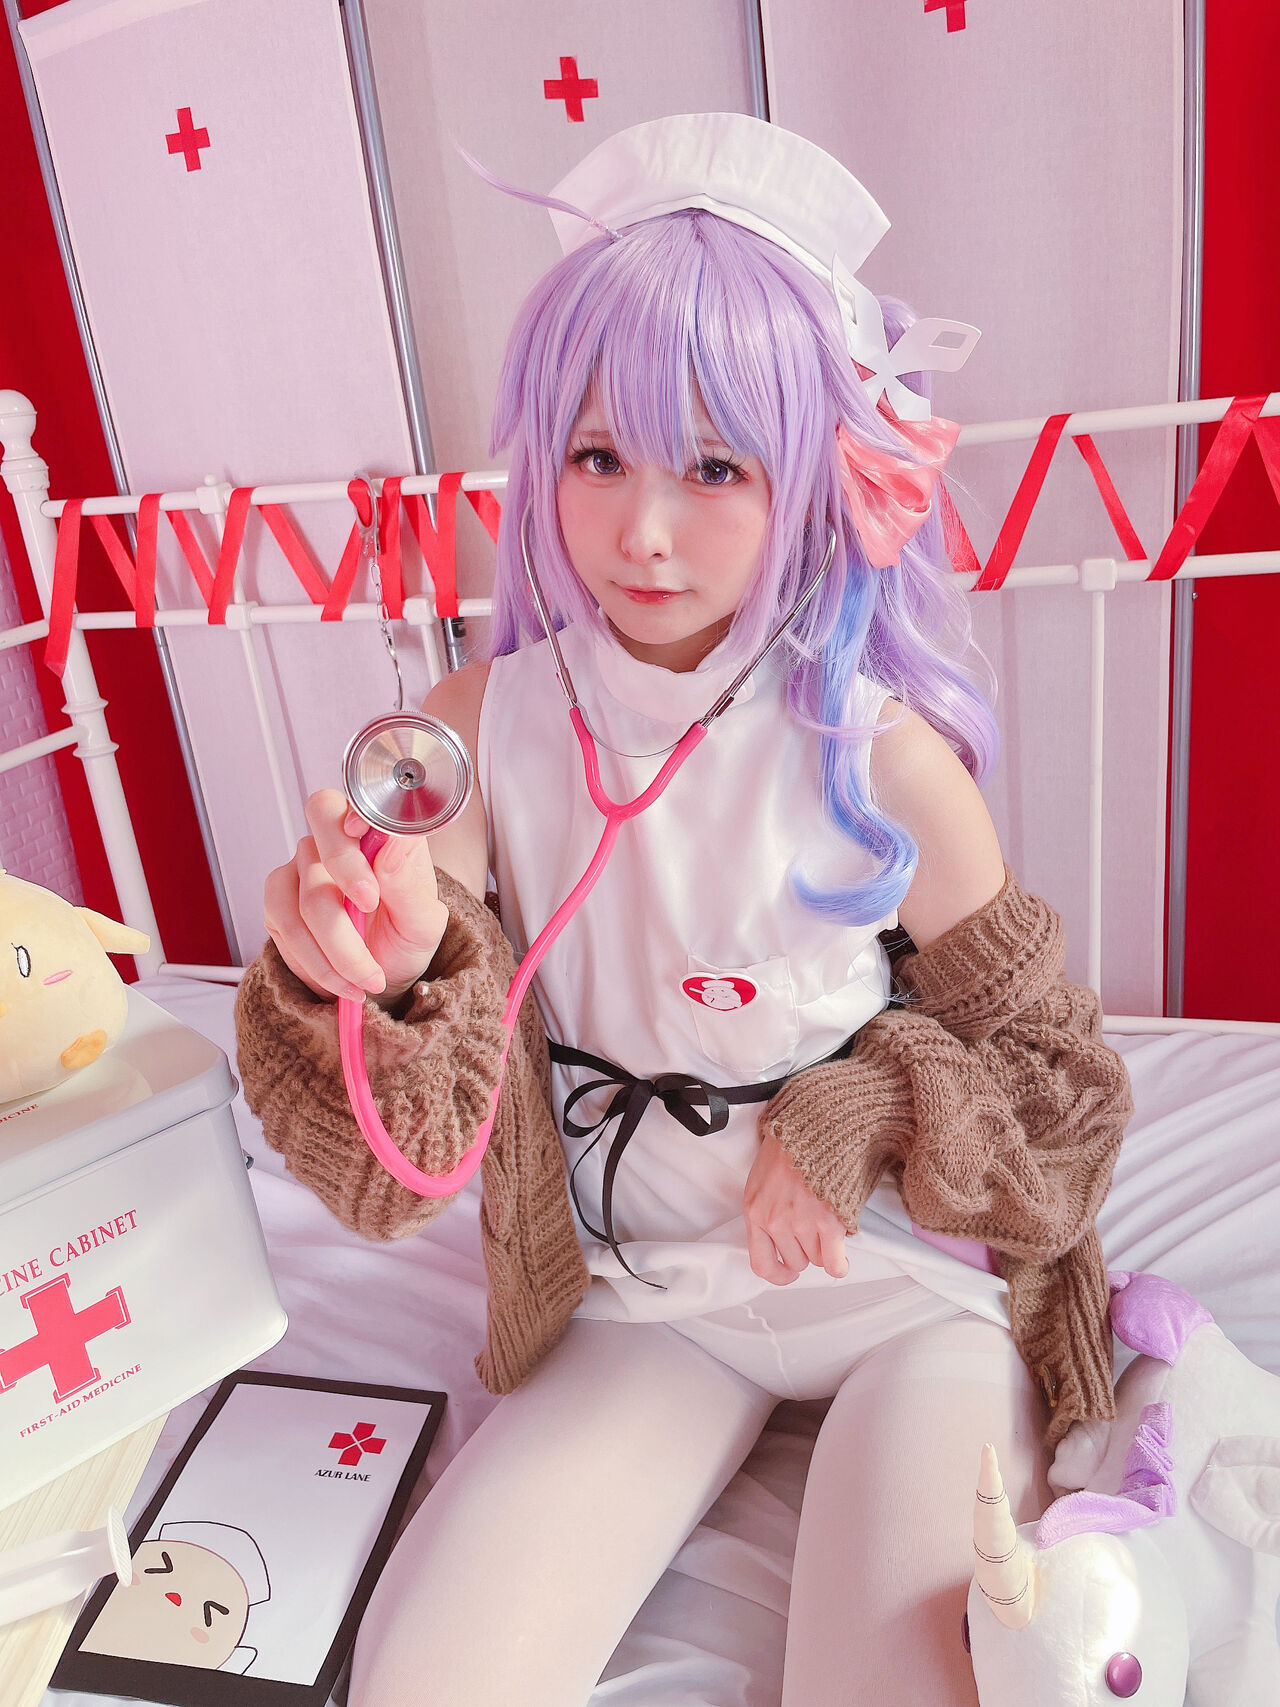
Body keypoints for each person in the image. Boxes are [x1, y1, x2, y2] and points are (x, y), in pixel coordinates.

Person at [235, 115, 1133, 1706]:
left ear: (813, 476)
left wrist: (860, 1105)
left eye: (715, 467)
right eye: (598, 458)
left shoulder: (886, 758)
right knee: (430, 1679)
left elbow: (1062, 1101)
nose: (643, 532)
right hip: (648, 1300)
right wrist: (375, 982)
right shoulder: (476, 733)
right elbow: (402, 1161)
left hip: (899, 1289)